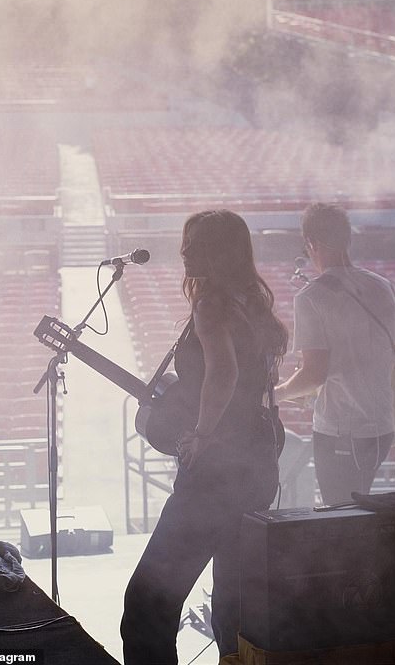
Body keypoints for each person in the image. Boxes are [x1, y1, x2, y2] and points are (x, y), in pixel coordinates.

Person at [121, 209, 288, 664]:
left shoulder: (210, 304)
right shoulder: (249, 302)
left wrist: (200, 433)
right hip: (255, 468)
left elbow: (223, 372)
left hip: (215, 474)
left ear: (219, 252)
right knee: (234, 610)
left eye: (195, 243)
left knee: (146, 607)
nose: (184, 251)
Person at [275, 202, 395, 506]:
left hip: (342, 431)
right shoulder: (381, 285)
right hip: (382, 428)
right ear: (347, 239)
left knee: (342, 517)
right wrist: (381, 372)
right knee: (360, 507)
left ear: (311, 244)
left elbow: (314, 374)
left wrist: (272, 395)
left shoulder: (311, 296)